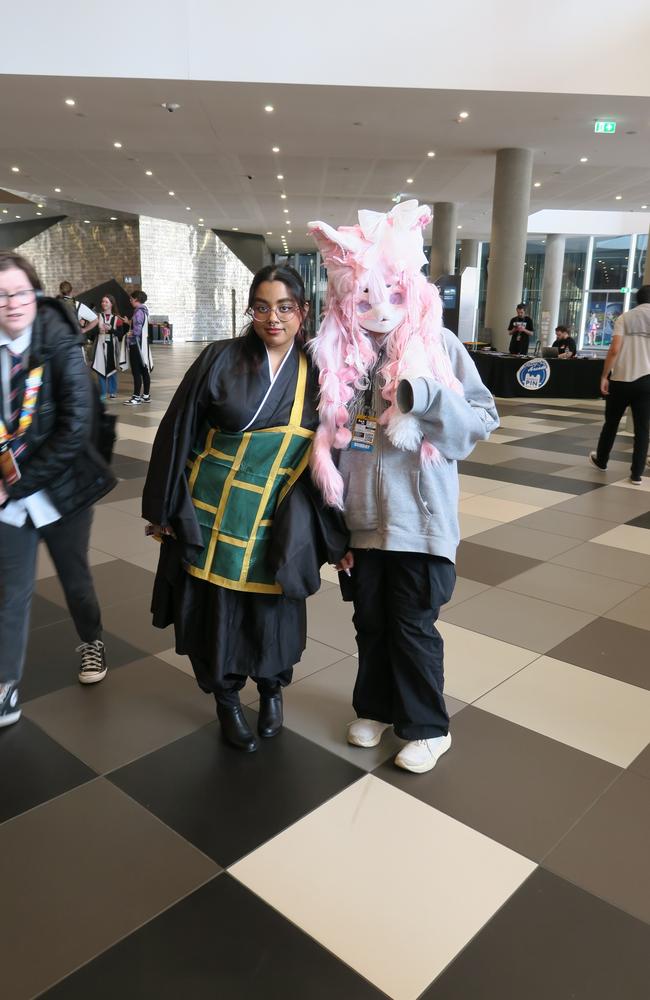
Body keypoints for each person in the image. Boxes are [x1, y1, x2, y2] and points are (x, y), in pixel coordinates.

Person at [309, 201, 499, 774]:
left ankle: (426, 726)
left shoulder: (439, 348)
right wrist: (336, 524)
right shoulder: (341, 355)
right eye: (364, 297)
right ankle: (376, 706)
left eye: (390, 293)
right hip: (365, 524)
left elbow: (483, 419)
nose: (379, 309)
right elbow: (336, 442)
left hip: (423, 525)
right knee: (370, 623)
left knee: (413, 625)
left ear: (410, 288)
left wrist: (429, 397)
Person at [142, 264, 346, 753]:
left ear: (303, 311)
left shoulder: (320, 373)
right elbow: (178, 430)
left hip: (278, 517)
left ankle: (272, 689)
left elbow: (329, 458)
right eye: (261, 307)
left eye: (284, 307)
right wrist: (165, 506)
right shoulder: (219, 358)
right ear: (250, 310)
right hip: (211, 512)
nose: (272, 318)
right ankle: (228, 698)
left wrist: (336, 535)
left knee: (271, 610)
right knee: (217, 613)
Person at [0, 252, 116, 728]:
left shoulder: (60, 342)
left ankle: (92, 640)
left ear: (36, 294)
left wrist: (18, 484)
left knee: (75, 580)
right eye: (1, 296)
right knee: (11, 590)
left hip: (61, 487)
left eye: (20, 292)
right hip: (7, 492)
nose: (12, 304)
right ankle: (5, 686)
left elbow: (74, 428)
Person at [589, 285, 650, 486]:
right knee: (642, 429)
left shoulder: (625, 317)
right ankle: (636, 474)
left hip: (621, 380)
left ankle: (602, 460)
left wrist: (604, 375)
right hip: (646, 381)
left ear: (637, 299)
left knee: (611, 423)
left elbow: (614, 349)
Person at [91, 294, 124, 399]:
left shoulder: (117, 319)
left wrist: (111, 330)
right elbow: (91, 333)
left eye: (106, 302)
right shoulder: (97, 317)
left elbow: (120, 335)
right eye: (102, 301)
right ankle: (103, 392)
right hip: (100, 344)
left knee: (112, 367)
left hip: (112, 345)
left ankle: (112, 390)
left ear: (111, 304)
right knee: (99, 366)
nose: (103, 303)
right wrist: (98, 330)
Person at [124, 290, 153, 405]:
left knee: (136, 371)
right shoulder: (144, 311)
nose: (130, 300)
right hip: (143, 346)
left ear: (136, 299)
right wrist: (129, 322)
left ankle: (136, 397)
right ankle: (145, 395)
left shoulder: (138, 312)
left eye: (131, 299)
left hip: (136, 346)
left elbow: (137, 330)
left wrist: (130, 333)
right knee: (144, 370)